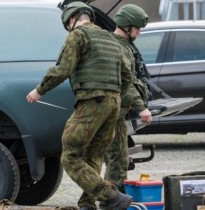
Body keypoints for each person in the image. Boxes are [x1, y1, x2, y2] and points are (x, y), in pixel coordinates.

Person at [26, 2, 133, 209]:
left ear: (70, 20)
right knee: (93, 155)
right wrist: (115, 95)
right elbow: (127, 74)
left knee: (70, 156)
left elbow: (63, 69)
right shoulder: (110, 38)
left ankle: (111, 196)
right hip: (113, 104)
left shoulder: (78, 36)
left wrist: (39, 90)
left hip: (92, 102)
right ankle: (87, 204)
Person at [103, 3, 152, 206]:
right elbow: (125, 83)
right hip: (111, 112)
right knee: (116, 160)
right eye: (137, 28)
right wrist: (142, 108)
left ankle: (112, 199)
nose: (139, 32)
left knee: (119, 160)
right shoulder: (117, 47)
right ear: (126, 26)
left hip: (117, 112)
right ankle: (109, 202)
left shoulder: (124, 46)